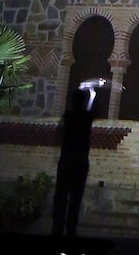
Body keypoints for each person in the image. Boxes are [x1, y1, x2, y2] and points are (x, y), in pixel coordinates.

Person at [52, 77, 107, 242]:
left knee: (61, 195)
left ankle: (57, 229)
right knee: (75, 196)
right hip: (80, 162)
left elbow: (59, 134)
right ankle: (70, 230)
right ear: (83, 102)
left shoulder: (67, 116)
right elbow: (95, 109)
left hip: (66, 159)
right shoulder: (85, 117)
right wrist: (92, 92)